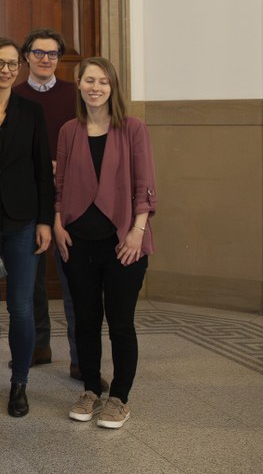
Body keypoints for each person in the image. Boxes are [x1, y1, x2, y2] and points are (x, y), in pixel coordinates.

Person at [56, 57, 156, 429]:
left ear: (112, 87)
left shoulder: (132, 129)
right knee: (84, 321)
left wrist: (137, 231)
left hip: (123, 242)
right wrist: (57, 222)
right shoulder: (69, 130)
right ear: (79, 85)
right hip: (77, 242)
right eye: (88, 80)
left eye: (102, 81)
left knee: (120, 323)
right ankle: (90, 390)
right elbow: (61, 185)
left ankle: (119, 398)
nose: (95, 87)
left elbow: (145, 184)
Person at [0, 38, 54, 418]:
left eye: (13, 64)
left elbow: (42, 172)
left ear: (20, 68)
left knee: (20, 305)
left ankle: (20, 382)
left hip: (23, 220)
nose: (6, 69)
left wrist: (46, 220)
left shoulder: (32, 112)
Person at [10, 28, 84, 377]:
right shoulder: (13, 95)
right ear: (26, 56)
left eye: (52, 54)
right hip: (31, 197)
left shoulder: (76, 94)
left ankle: (80, 357)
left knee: (74, 280)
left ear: (59, 58)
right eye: (38, 52)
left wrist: (63, 165)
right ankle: (39, 345)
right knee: (32, 279)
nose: (44, 59)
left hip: (74, 197)